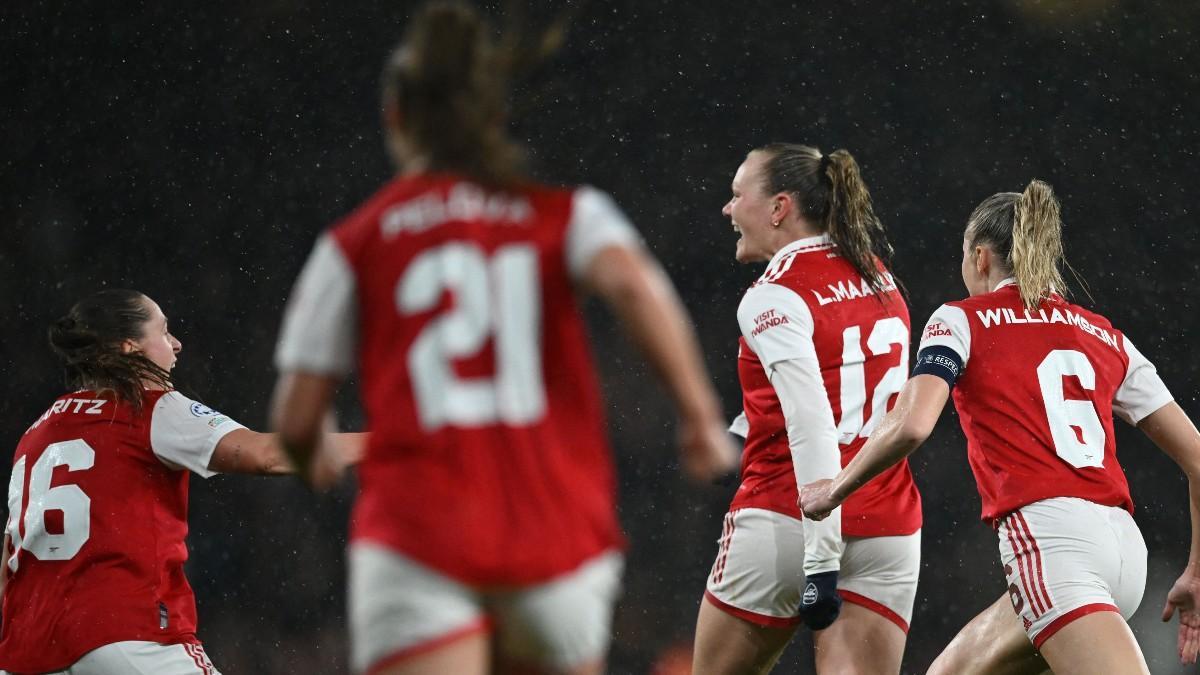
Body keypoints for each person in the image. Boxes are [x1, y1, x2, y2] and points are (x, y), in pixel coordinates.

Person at [267, 3, 738, 675]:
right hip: (551, 532)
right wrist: (696, 414)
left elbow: (294, 413)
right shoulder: (566, 214)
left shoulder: (353, 243)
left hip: (418, 534)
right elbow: (635, 285)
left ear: (395, 117)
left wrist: (311, 450)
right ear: (492, 117)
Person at [800, 179, 1200, 674]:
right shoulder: (1105, 334)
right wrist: (1198, 570)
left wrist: (834, 489)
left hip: (1053, 545)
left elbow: (912, 425)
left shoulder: (960, 320)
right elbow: (1197, 458)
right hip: (1123, 548)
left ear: (982, 258)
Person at [0, 289, 361, 675]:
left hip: (27, 648)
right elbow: (266, 455)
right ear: (128, 347)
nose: (176, 344)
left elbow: (10, 559)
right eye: (164, 331)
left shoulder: (37, 433)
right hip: (125, 634)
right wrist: (396, 441)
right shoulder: (150, 407)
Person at [692, 143, 922, 675]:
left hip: (790, 520)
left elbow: (813, 422)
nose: (727, 210)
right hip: (888, 527)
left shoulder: (773, 295)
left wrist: (821, 558)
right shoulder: (880, 277)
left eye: (736, 195)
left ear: (778, 208)